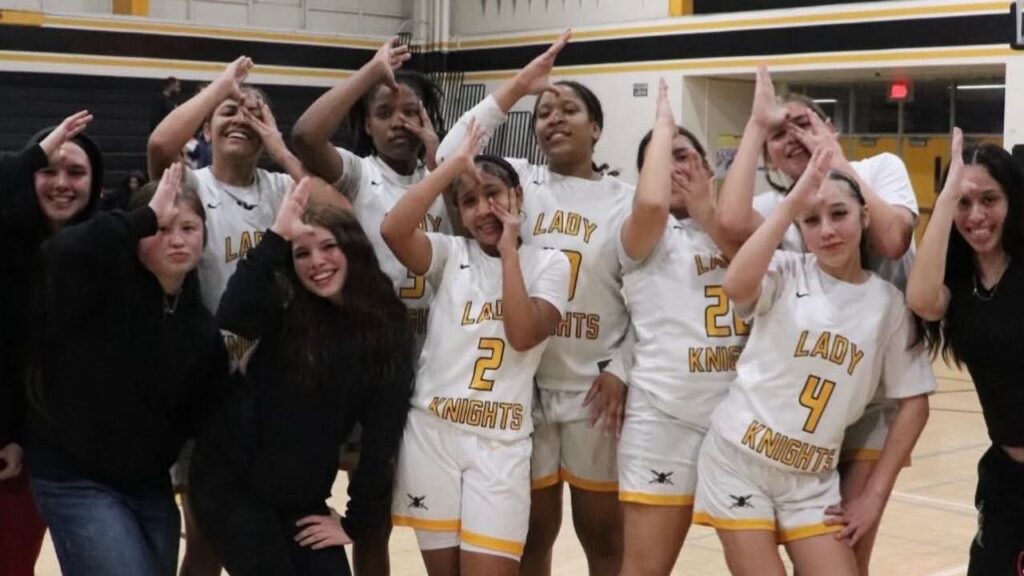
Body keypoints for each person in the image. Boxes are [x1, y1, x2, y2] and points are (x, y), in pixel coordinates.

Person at [436, 31, 633, 576]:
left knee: (603, 535)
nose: (553, 118)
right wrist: (518, 87)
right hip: (526, 387)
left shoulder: (626, 202)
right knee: (532, 535)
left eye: (569, 109)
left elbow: (652, 302)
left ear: (596, 128)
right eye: (543, 112)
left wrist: (621, 368)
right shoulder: (520, 180)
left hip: (594, 391)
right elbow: (450, 157)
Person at [715, 66, 925, 575]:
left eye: (803, 123)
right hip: (793, 408)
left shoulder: (879, 169)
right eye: (778, 134)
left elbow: (892, 240)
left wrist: (834, 162)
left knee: (850, 549)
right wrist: (755, 127)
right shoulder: (785, 205)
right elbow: (730, 223)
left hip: (874, 392)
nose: (792, 138)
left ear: (829, 126)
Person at [188, 178, 414, 576]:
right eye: (302, 253)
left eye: (328, 247)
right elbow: (232, 315)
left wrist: (354, 522)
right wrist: (277, 236)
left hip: (301, 499)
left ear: (352, 248)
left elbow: (381, 438)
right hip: (230, 483)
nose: (317, 262)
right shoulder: (286, 305)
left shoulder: (387, 328)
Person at [382, 121, 570, 576]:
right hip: (432, 433)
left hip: (500, 444)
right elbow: (393, 229)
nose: (484, 209)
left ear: (517, 196)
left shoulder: (550, 263)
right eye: (469, 201)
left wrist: (509, 253)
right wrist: (449, 171)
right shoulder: (450, 254)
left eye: (493, 194)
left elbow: (522, 335)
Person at [291, 36, 449, 574]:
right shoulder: (362, 174)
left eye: (412, 111)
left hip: (438, 370)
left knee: (438, 519)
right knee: (373, 519)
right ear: (367, 126)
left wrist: (441, 157)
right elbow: (306, 135)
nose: (399, 122)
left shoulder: (449, 179)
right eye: (384, 113)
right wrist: (370, 72)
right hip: (372, 368)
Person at [24, 163, 228, 576]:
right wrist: (140, 218)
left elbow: (202, 417)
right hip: (74, 476)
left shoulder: (202, 328)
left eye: (189, 228)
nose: (176, 240)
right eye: (161, 228)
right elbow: (59, 253)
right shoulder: (97, 289)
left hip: (149, 485)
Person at [148, 56, 303, 576]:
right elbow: (160, 147)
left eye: (254, 112)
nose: (240, 118)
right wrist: (223, 89)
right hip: (205, 383)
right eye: (227, 112)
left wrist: (280, 147)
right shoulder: (192, 187)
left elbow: (335, 214)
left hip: (274, 383)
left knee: (267, 529)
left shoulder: (281, 188)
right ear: (206, 127)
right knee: (207, 538)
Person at [616, 81, 750, 576]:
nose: (673, 168)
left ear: (709, 168)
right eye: (660, 159)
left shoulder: (746, 227)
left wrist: (709, 214)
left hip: (741, 418)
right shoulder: (641, 232)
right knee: (645, 567)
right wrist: (663, 122)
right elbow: (651, 205)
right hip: (663, 419)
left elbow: (762, 280)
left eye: (684, 156)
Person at [906, 129, 1024, 576]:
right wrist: (945, 198)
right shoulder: (957, 285)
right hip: (1006, 478)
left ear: (1012, 201)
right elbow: (921, 300)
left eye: (989, 200)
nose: (976, 215)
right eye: (963, 202)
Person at [0, 110, 97, 576]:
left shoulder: (110, 253)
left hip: (60, 452)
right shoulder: (6, 241)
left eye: (75, 172)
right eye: (47, 170)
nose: (61, 183)